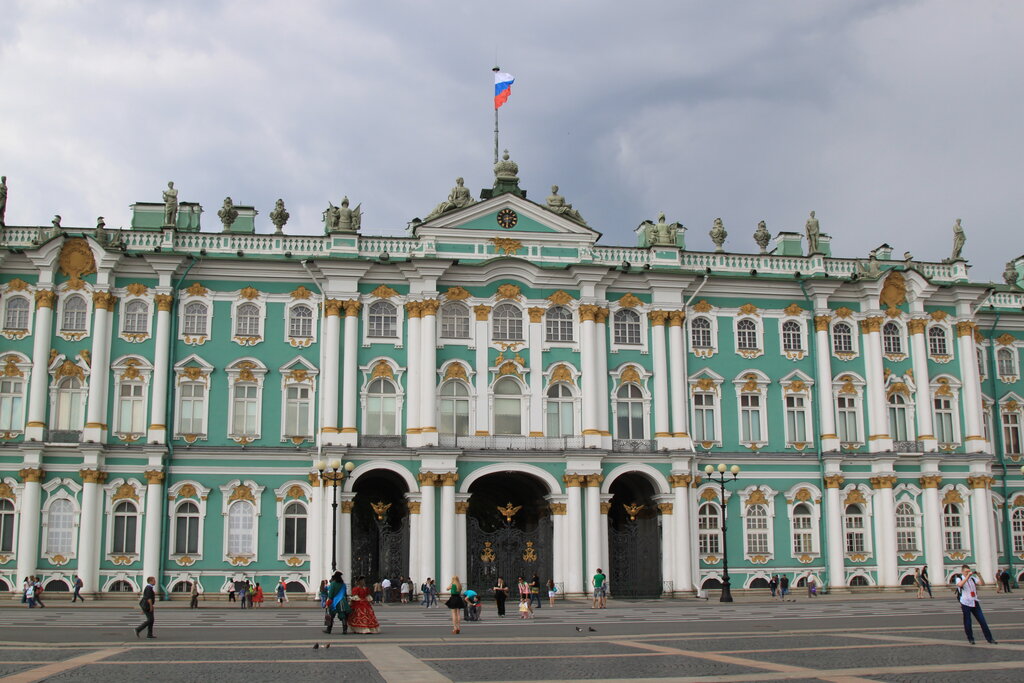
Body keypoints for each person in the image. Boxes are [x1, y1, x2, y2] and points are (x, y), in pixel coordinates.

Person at [954, 565, 996, 644]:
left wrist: (979, 576)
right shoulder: (959, 578)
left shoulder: (972, 579)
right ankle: (971, 639)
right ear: (962, 571)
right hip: (965, 602)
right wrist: (967, 577)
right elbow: (960, 585)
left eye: (969, 571)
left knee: (982, 621)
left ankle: (990, 639)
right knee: (968, 621)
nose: (968, 573)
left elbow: (982, 584)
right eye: (966, 571)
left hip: (974, 601)